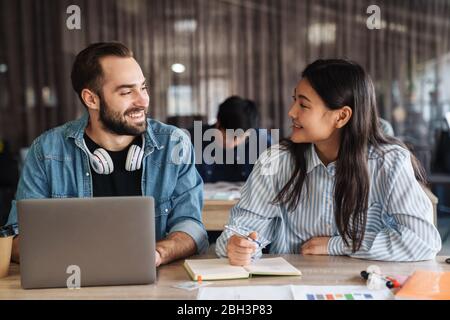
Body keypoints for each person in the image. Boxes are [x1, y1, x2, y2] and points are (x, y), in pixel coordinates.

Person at [216, 59, 442, 264]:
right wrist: (237, 246)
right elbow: (239, 230)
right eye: (295, 100)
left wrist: (336, 244)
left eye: (303, 105)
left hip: (366, 285)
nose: (291, 112)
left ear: (341, 116)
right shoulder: (275, 161)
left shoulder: (389, 163)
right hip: (293, 286)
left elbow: (422, 240)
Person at [5, 42, 208, 266]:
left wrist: (157, 253)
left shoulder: (174, 144)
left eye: (143, 87)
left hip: (153, 284)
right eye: (126, 91)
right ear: (91, 99)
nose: (143, 101)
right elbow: (16, 240)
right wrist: (80, 257)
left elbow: (191, 227)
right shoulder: (47, 151)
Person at [190, 96, 272, 183]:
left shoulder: (263, 142)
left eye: (238, 139)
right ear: (218, 123)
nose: (231, 144)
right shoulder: (192, 140)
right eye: (226, 137)